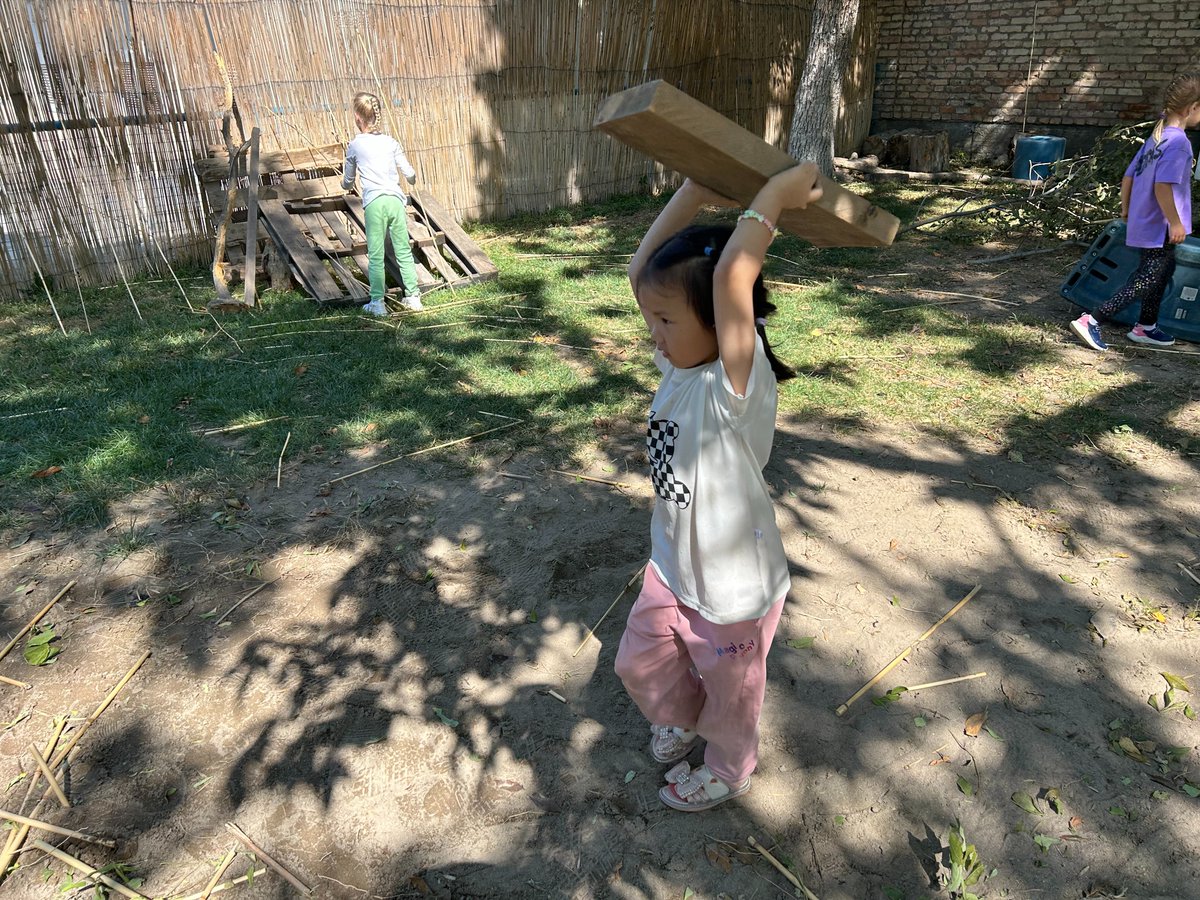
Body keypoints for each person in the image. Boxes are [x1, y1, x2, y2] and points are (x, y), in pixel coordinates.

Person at [613, 165, 821, 811]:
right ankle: (678, 714)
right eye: (653, 318)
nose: (654, 331)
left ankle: (730, 766)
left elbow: (734, 275)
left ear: (716, 321)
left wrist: (774, 200)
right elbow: (640, 274)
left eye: (666, 319)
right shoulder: (682, 362)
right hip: (673, 565)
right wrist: (691, 193)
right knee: (638, 661)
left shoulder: (735, 383)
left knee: (733, 695)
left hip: (732, 590)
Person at [1070, 72, 1200, 350]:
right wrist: (1176, 223)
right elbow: (1163, 187)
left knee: (1163, 270)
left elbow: (1128, 177)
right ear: (1192, 108)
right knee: (1148, 278)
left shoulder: (1157, 136)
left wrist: (1127, 210)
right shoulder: (1179, 143)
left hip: (1145, 220)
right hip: (1161, 225)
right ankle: (1092, 320)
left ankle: (1146, 326)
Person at [342, 91, 423, 315]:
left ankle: (377, 302)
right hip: (396, 201)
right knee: (403, 249)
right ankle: (413, 297)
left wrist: (346, 183)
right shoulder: (390, 142)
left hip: (375, 202)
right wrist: (412, 179)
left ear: (358, 117)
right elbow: (409, 173)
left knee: (376, 252)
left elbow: (347, 182)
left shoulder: (356, 145)